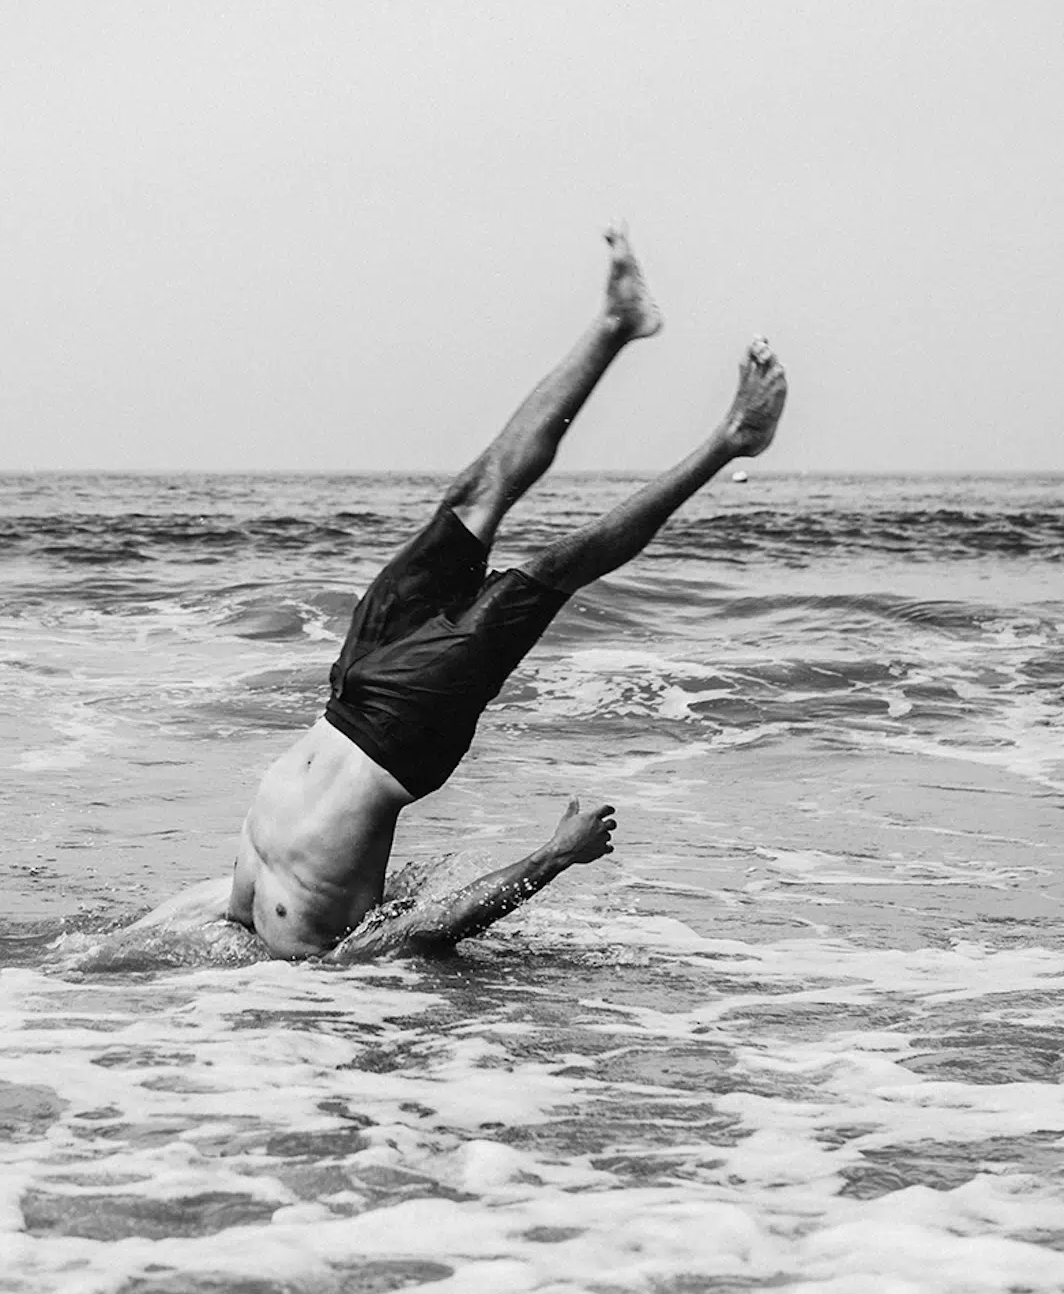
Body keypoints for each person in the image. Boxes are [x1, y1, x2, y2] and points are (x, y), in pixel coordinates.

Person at [85, 228, 786, 970]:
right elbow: (441, 924)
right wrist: (554, 855)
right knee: (547, 571)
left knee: (472, 495)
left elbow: (194, 917)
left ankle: (618, 321)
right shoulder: (333, 956)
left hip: (349, 692)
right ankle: (733, 439)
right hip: (401, 734)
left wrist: (96, 955)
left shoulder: (252, 931)